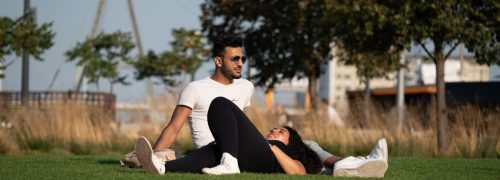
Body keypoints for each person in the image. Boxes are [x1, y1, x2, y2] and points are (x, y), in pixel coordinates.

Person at [126, 34, 388, 177]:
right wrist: (158, 154)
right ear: (219, 61)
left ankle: (352, 163)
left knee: (306, 144)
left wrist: (268, 143)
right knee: (214, 143)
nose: (241, 63)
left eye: (243, 58)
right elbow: (174, 127)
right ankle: (162, 168)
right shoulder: (196, 88)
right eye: (235, 58)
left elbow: (242, 123)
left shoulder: (246, 87)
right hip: (217, 149)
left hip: (241, 151)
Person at [135, 97, 323, 175]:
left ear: (292, 145)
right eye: (274, 129)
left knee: (221, 104)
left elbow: (298, 172)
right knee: (216, 150)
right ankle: (163, 168)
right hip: (248, 158)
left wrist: (272, 146)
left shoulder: (285, 152)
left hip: (266, 159)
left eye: (281, 133)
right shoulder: (259, 143)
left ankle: (230, 163)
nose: (274, 131)